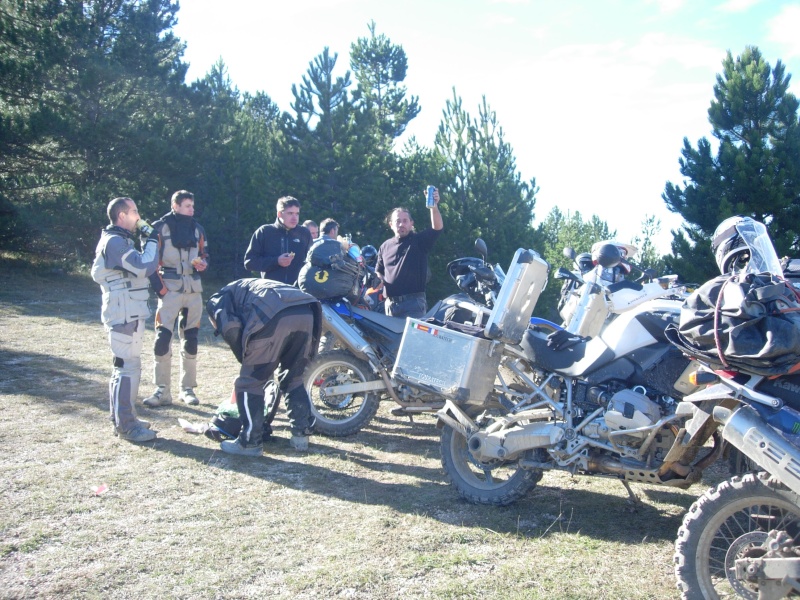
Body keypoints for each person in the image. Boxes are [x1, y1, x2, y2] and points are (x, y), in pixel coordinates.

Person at [206, 278, 322, 456]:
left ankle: (250, 442)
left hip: (274, 313)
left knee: (249, 382)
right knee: (294, 377)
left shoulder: (217, 301)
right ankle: (301, 436)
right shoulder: (246, 287)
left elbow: (230, 328)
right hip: (306, 311)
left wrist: (247, 362)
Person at [91, 197, 160, 442]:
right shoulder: (114, 242)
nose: (138, 217)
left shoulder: (119, 240)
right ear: (122, 216)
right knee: (126, 368)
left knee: (127, 366)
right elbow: (144, 266)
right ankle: (127, 426)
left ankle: (123, 418)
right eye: (134, 212)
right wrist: (151, 239)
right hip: (123, 313)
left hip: (129, 310)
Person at [143, 190, 209, 408]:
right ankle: (162, 390)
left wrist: (203, 264)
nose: (192, 209)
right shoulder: (159, 228)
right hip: (169, 289)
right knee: (162, 340)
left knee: (191, 340)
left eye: (192, 205)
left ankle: (187, 388)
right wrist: (159, 290)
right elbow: (149, 261)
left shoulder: (197, 229)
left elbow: (205, 255)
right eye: (188, 205)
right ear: (176, 205)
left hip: (193, 291)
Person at [376, 187, 443, 318]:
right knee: (392, 339)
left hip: (413, 304)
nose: (401, 224)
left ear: (411, 223)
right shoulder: (385, 246)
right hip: (390, 305)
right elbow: (379, 271)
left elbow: (437, 228)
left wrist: (434, 207)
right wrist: (377, 279)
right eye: (398, 221)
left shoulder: (419, 241)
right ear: (391, 224)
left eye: (405, 221)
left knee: (413, 339)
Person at [243, 196, 312, 285]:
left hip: (298, 291)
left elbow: (312, 261)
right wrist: (276, 261)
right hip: (271, 290)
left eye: (297, 213)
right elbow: (249, 263)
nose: (295, 218)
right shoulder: (264, 232)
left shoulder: (304, 233)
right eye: (290, 213)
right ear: (279, 214)